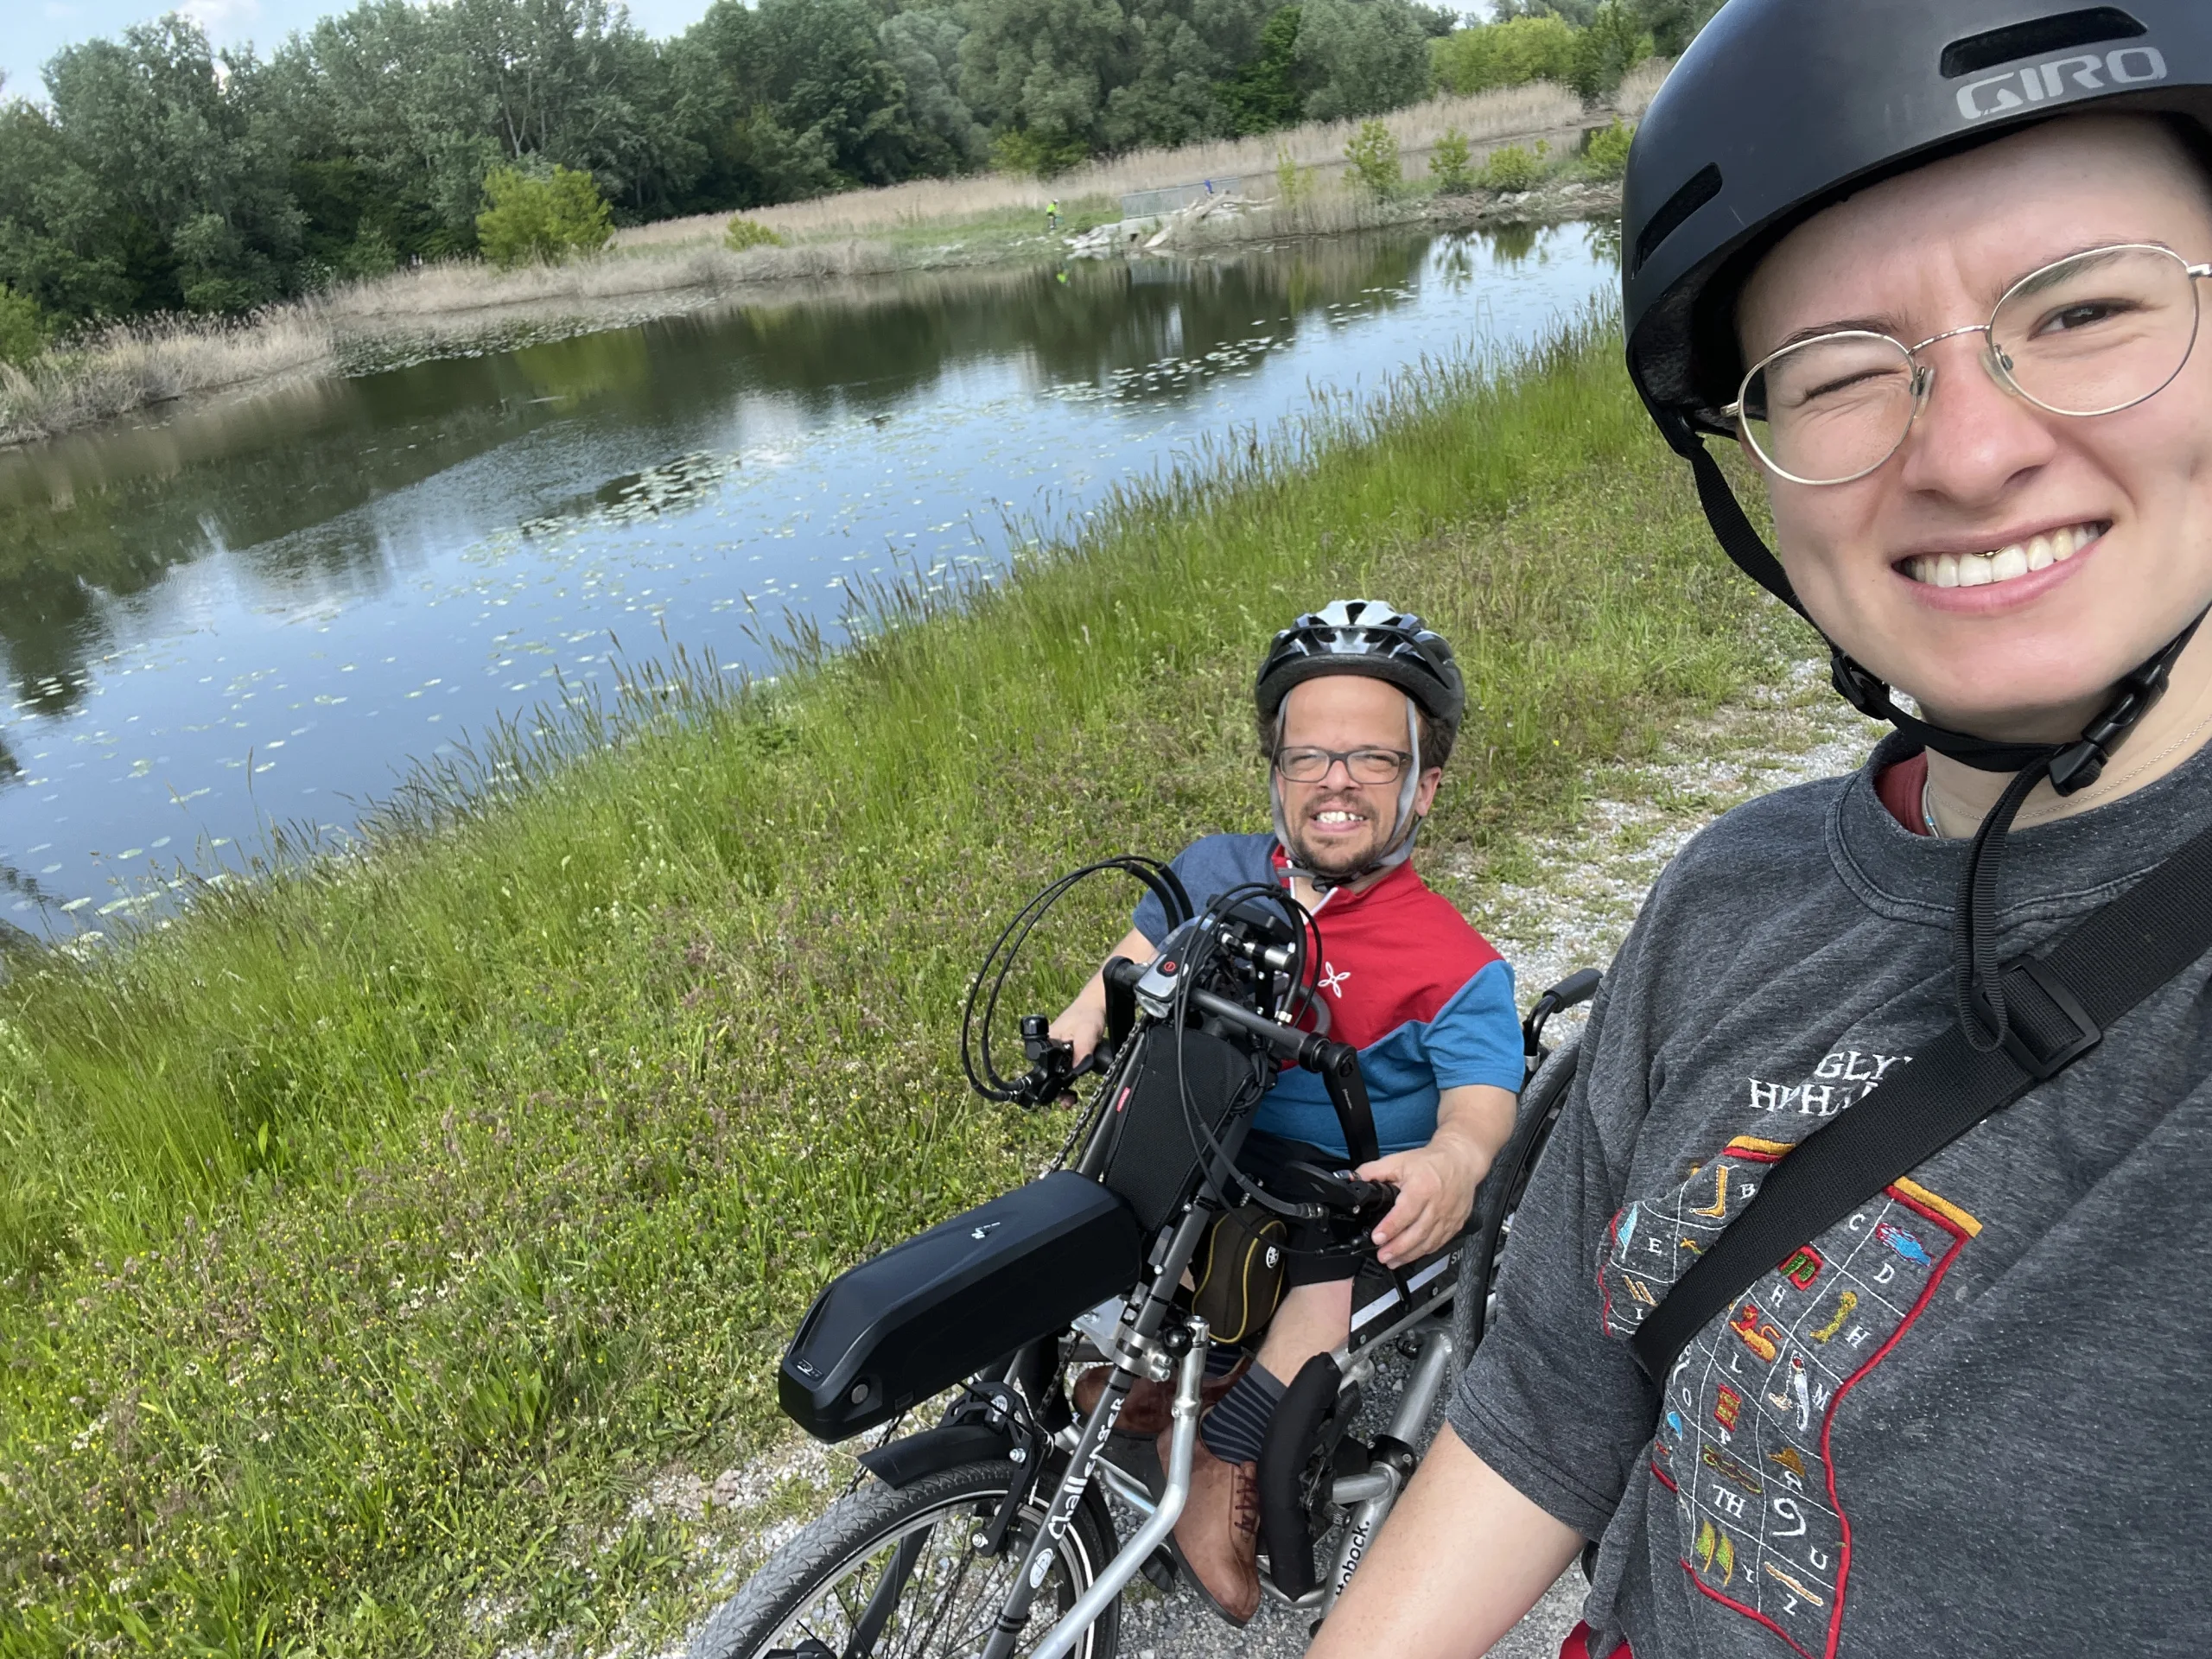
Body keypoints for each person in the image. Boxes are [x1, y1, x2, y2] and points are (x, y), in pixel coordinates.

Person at [1311, 4, 2212, 1657]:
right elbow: (1551, 1403)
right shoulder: (1730, 900)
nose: (1975, 449)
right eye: (1843, 374)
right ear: (1754, 475)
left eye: (2084, 310)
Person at [1050, 600, 1524, 1624]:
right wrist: (1083, 1019)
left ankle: (1223, 1458)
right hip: (1212, 1149)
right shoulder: (1215, 872)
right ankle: (1148, 1384)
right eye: (1307, 754)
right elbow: (1131, 967)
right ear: (1274, 774)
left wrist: (1452, 1160)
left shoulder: (1450, 959)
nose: (1335, 778)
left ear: (1425, 786)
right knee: (1098, 1195)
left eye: (1371, 757)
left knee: (1316, 1252)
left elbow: (1484, 1099)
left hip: (1341, 1195)